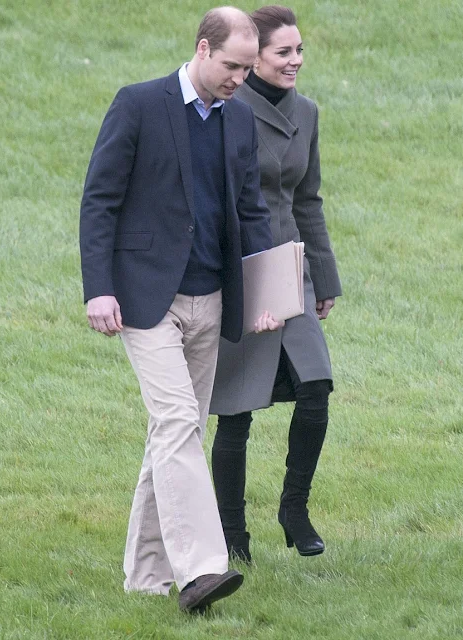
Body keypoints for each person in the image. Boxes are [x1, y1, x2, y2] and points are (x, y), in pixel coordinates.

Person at [79, 6, 282, 613]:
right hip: (145, 299)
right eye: (231, 66)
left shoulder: (240, 121)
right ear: (201, 48)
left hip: (212, 299)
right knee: (176, 426)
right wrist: (98, 287)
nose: (239, 79)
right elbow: (100, 200)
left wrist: (267, 294)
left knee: (173, 436)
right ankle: (200, 571)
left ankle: (145, 578)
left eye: (249, 70)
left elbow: (250, 214)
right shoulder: (138, 104)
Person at [209, 5, 342, 563]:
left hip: (290, 269)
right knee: (236, 408)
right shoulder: (226, 106)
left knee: (316, 387)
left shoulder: (307, 113)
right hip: (237, 270)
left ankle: (294, 508)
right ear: (253, 56)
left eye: (300, 50)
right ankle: (232, 536)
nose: (296, 61)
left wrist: (324, 278)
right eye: (283, 52)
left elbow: (307, 199)